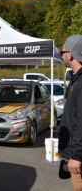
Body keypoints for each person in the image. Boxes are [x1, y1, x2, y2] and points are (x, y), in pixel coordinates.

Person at [58, 35, 82, 190]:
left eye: (62, 51)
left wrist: (77, 155)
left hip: (78, 157)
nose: (62, 55)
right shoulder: (76, 80)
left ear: (70, 54)